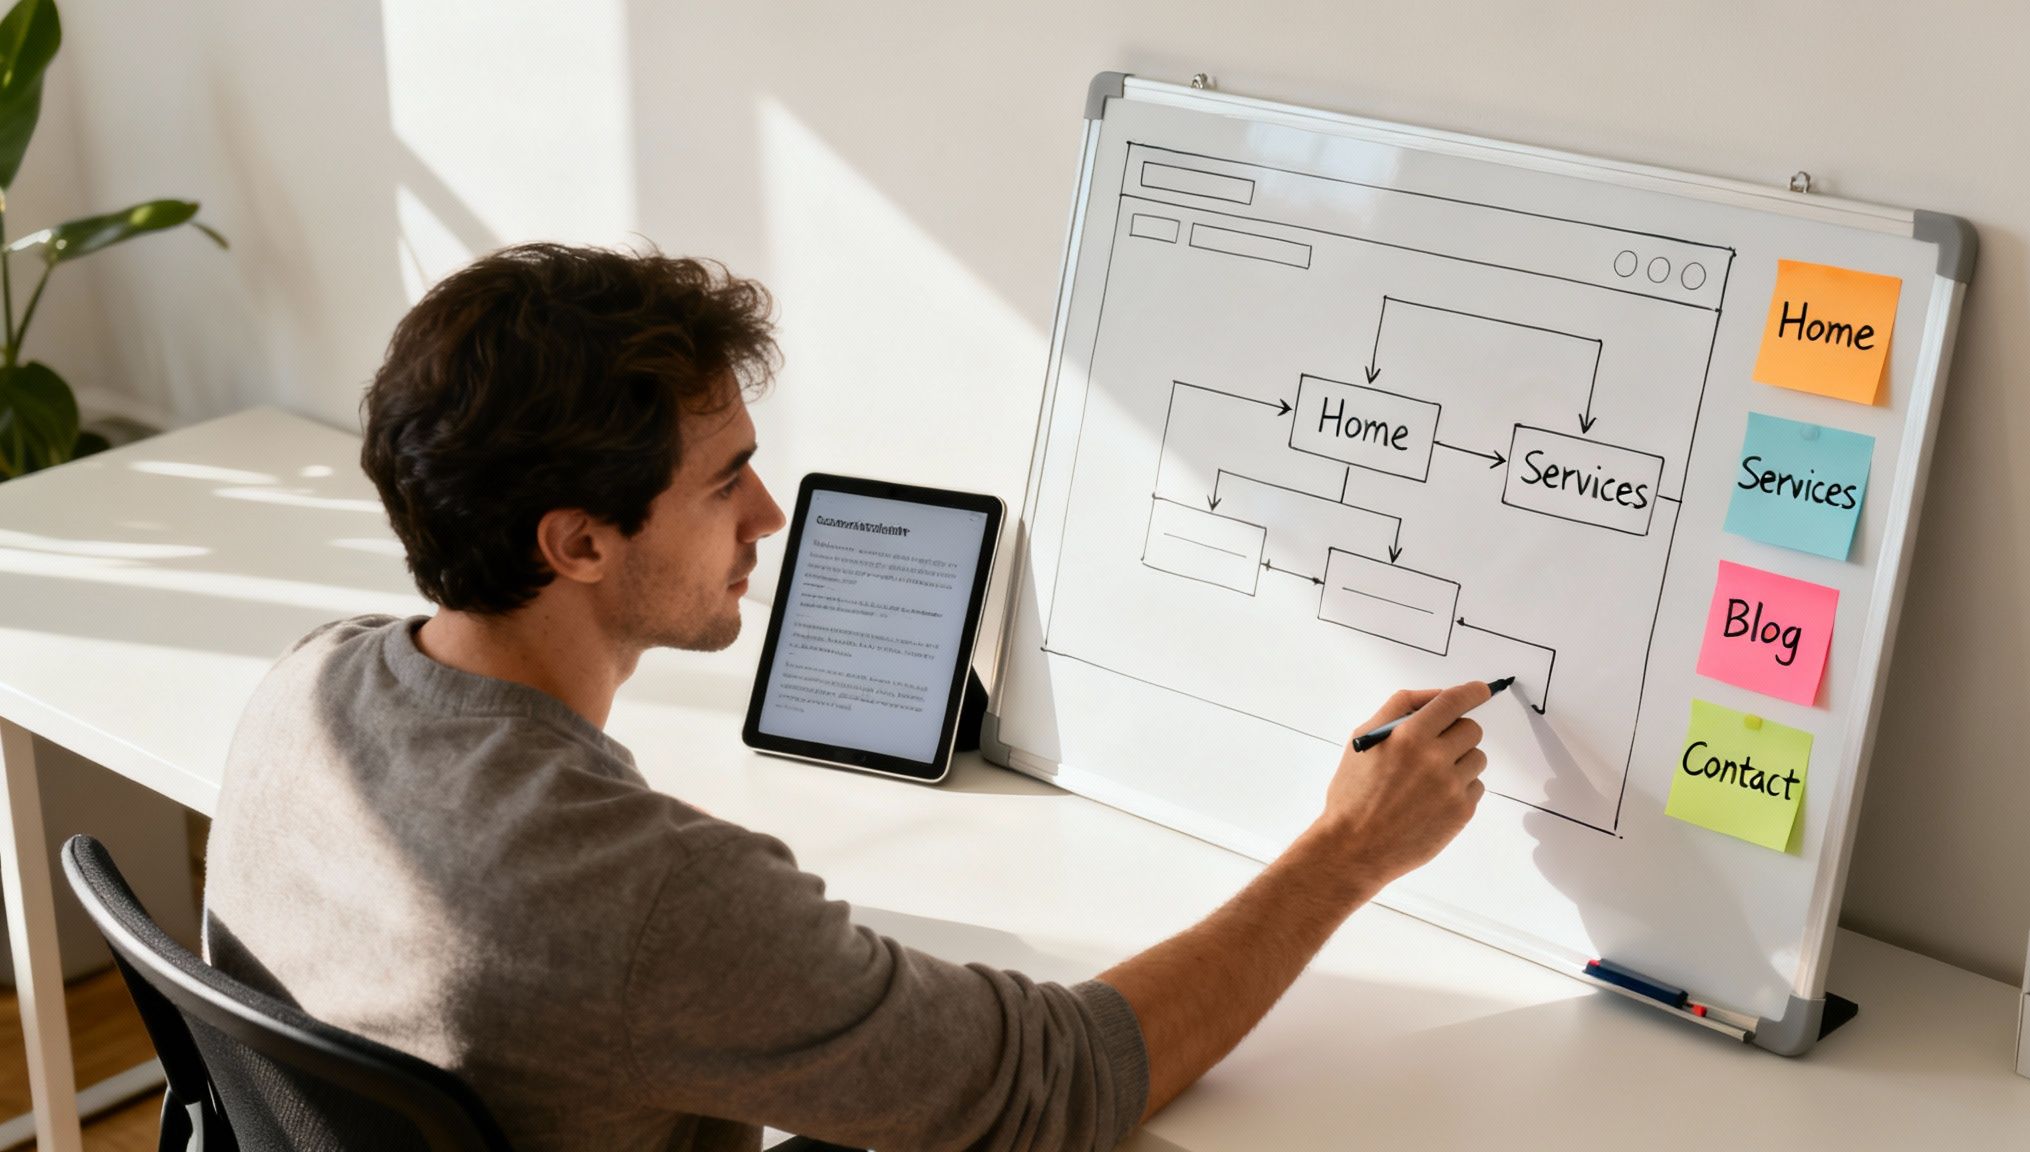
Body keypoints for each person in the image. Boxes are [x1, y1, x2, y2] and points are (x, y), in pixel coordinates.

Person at [204, 243, 1492, 1152]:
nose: (768, 514)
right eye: (725, 481)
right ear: (579, 543)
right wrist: (1346, 851)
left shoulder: (307, 687)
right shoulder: (651, 898)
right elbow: (1060, 1083)